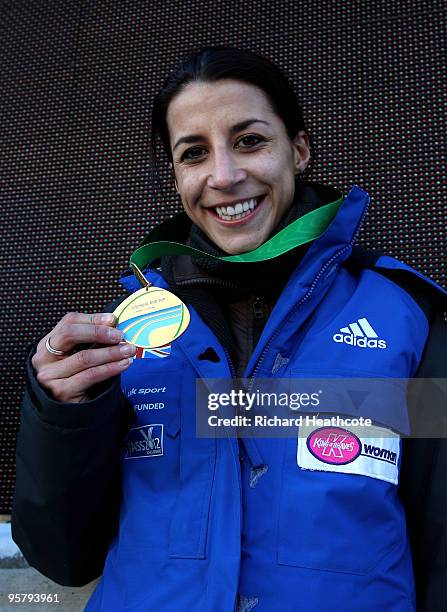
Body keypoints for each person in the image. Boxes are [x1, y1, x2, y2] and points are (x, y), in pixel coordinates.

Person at [12, 46, 447, 612]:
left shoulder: (406, 318)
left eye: (249, 141)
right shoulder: (126, 334)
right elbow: (64, 559)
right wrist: (60, 418)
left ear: (298, 150)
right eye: (194, 153)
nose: (224, 175)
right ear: (176, 177)